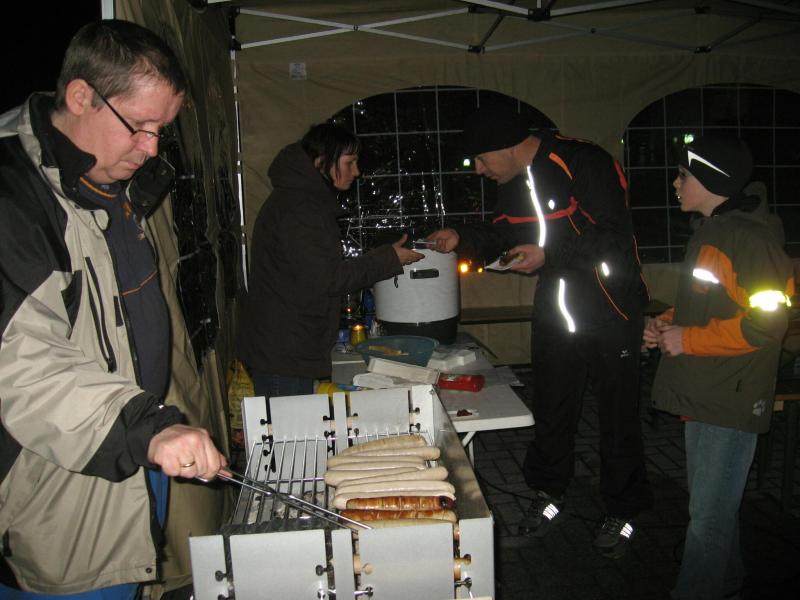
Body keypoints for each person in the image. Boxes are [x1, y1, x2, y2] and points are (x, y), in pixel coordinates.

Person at [0, 20, 227, 597]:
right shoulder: (13, 195)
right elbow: (22, 368)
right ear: (81, 96)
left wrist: (146, 431)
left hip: (130, 453)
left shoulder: (113, 177)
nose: (151, 148)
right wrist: (143, 430)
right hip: (56, 492)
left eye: (161, 130)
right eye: (140, 126)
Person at [427, 105, 652, 558]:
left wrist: (549, 254)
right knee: (551, 409)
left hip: (611, 309)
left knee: (618, 417)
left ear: (504, 145)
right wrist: (461, 238)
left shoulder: (584, 162)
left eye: (481, 158)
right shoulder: (512, 182)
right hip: (556, 309)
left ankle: (623, 509)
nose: (479, 169)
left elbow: (613, 236)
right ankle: (549, 494)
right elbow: (501, 235)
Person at [643, 136, 794, 600]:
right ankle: (728, 582)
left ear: (713, 181)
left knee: (707, 517)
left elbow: (768, 322)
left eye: (684, 175)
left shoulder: (749, 239)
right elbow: (710, 305)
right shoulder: (713, 232)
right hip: (709, 389)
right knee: (712, 509)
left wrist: (688, 339)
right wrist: (667, 323)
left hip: (731, 393)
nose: (675, 183)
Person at [236, 123, 423, 398]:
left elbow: (314, 272)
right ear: (321, 162)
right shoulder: (301, 208)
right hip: (285, 353)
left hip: (288, 348)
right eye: (349, 162)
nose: (356, 171)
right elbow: (329, 278)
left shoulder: (300, 200)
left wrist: (385, 257)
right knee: (292, 426)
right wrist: (388, 259)